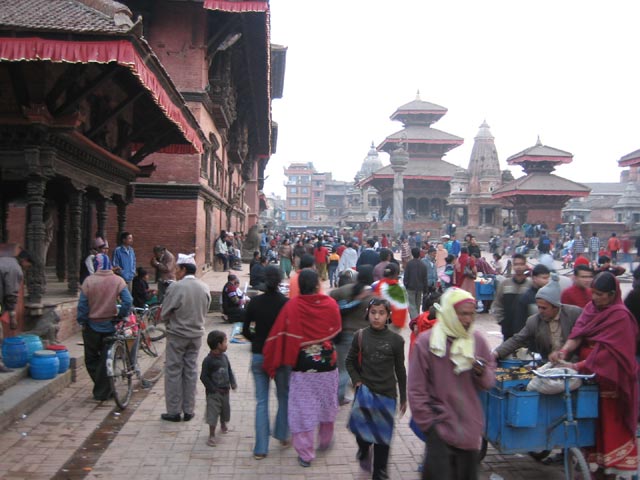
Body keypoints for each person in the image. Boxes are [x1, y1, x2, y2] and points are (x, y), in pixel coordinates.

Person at [550, 272, 639, 479]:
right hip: (588, 378)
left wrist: (578, 365)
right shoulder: (591, 309)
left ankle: (612, 470)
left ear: (612, 294)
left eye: (600, 294)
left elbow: (610, 356)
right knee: (590, 422)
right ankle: (594, 466)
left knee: (611, 425)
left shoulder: (621, 316)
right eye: (594, 293)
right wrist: (563, 351)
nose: (595, 298)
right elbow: (578, 334)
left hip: (612, 380)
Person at [408, 288, 496, 480]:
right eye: (462, 314)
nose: (468, 319)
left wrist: (481, 372)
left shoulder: (477, 341)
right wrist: (430, 426)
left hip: (469, 432)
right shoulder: (427, 343)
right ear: (449, 312)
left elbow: (489, 382)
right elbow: (415, 390)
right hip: (440, 431)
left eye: (471, 314)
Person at [262, 269, 341, 468]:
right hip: (328, 364)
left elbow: (280, 334)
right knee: (327, 403)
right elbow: (337, 333)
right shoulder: (330, 304)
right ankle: (325, 440)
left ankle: (306, 454)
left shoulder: (292, 306)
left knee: (303, 408)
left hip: (303, 366)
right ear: (317, 285)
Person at [345, 298, 407, 480]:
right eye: (373, 312)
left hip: (387, 395)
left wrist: (403, 397)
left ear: (388, 316)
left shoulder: (396, 340)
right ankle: (364, 451)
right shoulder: (360, 336)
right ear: (368, 314)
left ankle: (380, 472)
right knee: (360, 431)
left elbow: (400, 370)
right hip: (365, 393)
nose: (377, 317)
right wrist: (357, 380)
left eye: (381, 313)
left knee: (382, 439)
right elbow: (349, 361)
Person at [242, 266, 290, 459]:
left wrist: (257, 341)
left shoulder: (254, 302)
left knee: (262, 402)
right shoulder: (286, 304)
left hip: (259, 354)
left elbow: (245, 330)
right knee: (284, 397)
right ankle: (282, 434)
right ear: (280, 281)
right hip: (281, 356)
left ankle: (261, 448)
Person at [160, 253, 211, 422]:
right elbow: (205, 310)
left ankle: (174, 411)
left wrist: (171, 323)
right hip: (196, 335)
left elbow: (164, 313)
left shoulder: (176, 287)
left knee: (174, 371)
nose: (175, 272)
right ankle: (189, 409)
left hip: (177, 335)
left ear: (183, 269)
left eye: (177, 269)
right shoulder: (204, 287)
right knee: (191, 371)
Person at [77, 253, 131, 400]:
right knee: (107, 357)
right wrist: (120, 316)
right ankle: (105, 387)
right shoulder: (118, 280)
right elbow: (128, 301)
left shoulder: (89, 281)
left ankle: (102, 390)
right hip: (110, 325)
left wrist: (82, 321)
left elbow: (82, 305)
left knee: (91, 358)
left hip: (92, 326)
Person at [493, 276, 582, 360]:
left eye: (544, 308)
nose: (540, 311)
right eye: (538, 307)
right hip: (548, 363)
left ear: (556, 307)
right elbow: (517, 340)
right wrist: (496, 353)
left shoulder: (574, 314)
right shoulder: (534, 321)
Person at [329, 265, 375, 405]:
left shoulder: (344, 290)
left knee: (343, 369)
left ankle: (337, 396)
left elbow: (330, 298)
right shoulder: (373, 297)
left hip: (345, 335)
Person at [200, 330, 237, 446]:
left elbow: (229, 371)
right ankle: (211, 435)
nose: (226, 344)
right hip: (213, 394)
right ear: (218, 345)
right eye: (225, 342)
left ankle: (223, 423)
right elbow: (203, 377)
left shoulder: (224, 358)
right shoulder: (208, 361)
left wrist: (232, 382)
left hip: (225, 392)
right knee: (213, 413)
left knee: (225, 410)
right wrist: (212, 388)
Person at [0, 249, 33, 372]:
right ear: (24, 260)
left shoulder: (4, 261)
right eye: (28, 266)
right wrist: (12, 315)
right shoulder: (15, 269)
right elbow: (11, 293)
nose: (27, 269)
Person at [491, 254, 531, 340]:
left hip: (527, 331)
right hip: (508, 330)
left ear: (525, 266)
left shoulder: (530, 285)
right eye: (516, 264)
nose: (518, 267)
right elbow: (497, 304)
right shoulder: (505, 284)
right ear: (513, 266)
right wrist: (502, 321)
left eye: (521, 264)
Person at [511, 264, 550, 336]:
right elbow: (519, 323)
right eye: (544, 278)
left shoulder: (550, 297)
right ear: (534, 278)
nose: (547, 281)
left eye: (548, 278)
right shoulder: (526, 298)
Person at [373, 262, 409, 332]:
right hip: (395, 322)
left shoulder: (378, 285)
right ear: (396, 274)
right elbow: (403, 305)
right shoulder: (399, 287)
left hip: (380, 320)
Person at [404, 247, 428, 320]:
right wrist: (425, 290)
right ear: (419, 254)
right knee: (417, 304)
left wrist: (406, 285)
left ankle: (415, 319)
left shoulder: (409, 264)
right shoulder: (423, 265)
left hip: (410, 287)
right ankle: (417, 319)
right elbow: (425, 278)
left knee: (412, 304)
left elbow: (406, 276)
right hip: (420, 287)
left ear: (412, 254)